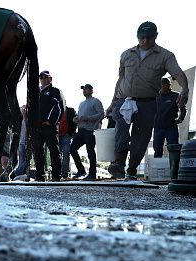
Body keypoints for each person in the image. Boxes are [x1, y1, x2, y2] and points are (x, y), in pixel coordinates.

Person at [106, 21, 189, 180]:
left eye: (148, 38)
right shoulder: (126, 54)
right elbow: (120, 79)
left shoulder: (165, 56)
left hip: (148, 103)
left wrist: (185, 89)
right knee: (120, 129)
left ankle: (131, 168)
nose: (144, 41)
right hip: (124, 100)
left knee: (141, 138)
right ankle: (118, 163)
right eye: (141, 38)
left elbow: (178, 73)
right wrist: (112, 102)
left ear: (155, 36)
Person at [35, 70, 65, 182]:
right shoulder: (35, 92)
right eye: (41, 77)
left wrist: (51, 121)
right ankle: (39, 176)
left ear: (50, 78)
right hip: (37, 127)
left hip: (49, 126)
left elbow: (61, 108)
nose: (43, 79)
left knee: (54, 150)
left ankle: (56, 176)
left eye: (46, 77)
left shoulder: (55, 91)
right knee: (38, 151)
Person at [71, 84, 105, 181]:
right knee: (72, 149)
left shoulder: (96, 101)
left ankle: (92, 174)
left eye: (86, 89)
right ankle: (81, 170)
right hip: (81, 130)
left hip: (90, 130)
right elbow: (81, 116)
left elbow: (101, 114)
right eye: (83, 89)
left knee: (90, 152)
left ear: (91, 90)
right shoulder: (81, 103)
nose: (84, 91)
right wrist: (76, 119)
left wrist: (88, 118)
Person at [153, 78, 186, 158]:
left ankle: (174, 168)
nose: (163, 86)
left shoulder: (176, 96)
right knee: (157, 150)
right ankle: (158, 169)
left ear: (169, 85)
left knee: (174, 149)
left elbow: (183, 109)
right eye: (161, 85)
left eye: (165, 84)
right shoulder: (155, 96)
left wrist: (180, 118)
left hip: (171, 128)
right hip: (158, 128)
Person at [57, 106, 77, 179]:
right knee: (57, 155)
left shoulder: (70, 111)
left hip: (66, 135)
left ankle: (64, 174)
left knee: (66, 153)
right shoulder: (56, 109)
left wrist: (71, 132)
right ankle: (57, 173)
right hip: (56, 136)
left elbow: (75, 122)